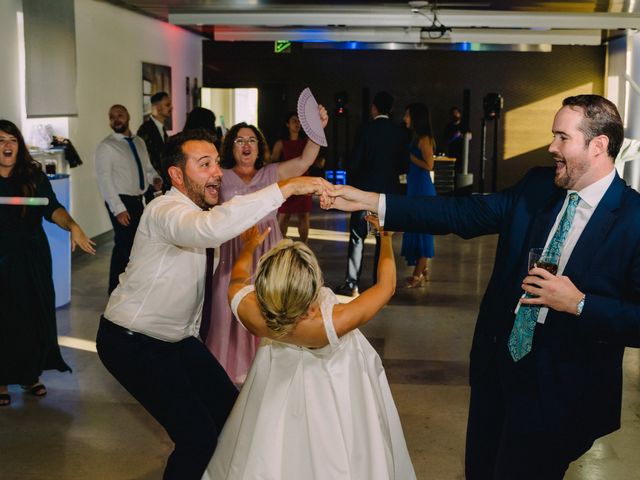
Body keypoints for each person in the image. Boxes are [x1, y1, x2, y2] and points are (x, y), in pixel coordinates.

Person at [325, 94, 639, 479]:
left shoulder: (632, 219)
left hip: (560, 391)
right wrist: (369, 199)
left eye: (562, 137)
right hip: (498, 372)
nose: (551, 146)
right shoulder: (538, 186)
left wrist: (579, 303)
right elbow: (462, 213)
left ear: (599, 145)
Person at [95, 129, 332, 480]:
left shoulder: (199, 209)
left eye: (216, 163)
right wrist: (289, 188)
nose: (217, 173)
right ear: (176, 175)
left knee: (231, 414)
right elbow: (207, 230)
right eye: (204, 165)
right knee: (198, 439)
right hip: (132, 341)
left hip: (177, 340)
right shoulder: (165, 210)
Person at [203, 218, 416, 480]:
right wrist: (385, 237)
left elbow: (236, 282)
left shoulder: (255, 317)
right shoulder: (333, 322)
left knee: (272, 446)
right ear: (312, 292)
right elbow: (387, 286)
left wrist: (249, 246)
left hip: (275, 385)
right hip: (335, 391)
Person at [203, 107, 328, 385]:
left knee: (270, 304)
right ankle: (229, 370)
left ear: (260, 147)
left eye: (251, 140)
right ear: (230, 147)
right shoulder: (220, 177)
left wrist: (317, 127)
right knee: (228, 308)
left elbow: (307, 160)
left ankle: (269, 368)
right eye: (239, 140)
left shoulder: (273, 173)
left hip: (269, 251)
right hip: (234, 252)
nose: (246, 145)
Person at [0, 119, 95, 407]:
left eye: (12, 140)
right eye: (0, 140)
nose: (6, 145)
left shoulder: (33, 175)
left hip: (32, 256)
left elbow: (52, 207)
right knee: (4, 316)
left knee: (34, 314)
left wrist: (73, 225)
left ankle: (29, 375)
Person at [334, 91, 407, 297]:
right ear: (391, 109)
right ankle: (379, 282)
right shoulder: (398, 132)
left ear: (374, 108)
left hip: (364, 191)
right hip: (388, 194)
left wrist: (352, 187)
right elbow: (403, 165)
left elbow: (355, 161)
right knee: (383, 236)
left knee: (358, 235)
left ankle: (351, 284)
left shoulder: (365, 129)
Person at [95, 104, 163, 294]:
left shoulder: (139, 142)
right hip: (121, 201)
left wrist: (155, 178)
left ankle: (115, 289)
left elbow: (147, 169)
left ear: (128, 117)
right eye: (112, 116)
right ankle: (128, 290)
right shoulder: (106, 146)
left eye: (120, 115)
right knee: (128, 246)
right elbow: (105, 180)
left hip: (137, 200)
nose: (116, 119)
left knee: (125, 245)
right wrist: (118, 208)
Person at [271, 111, 323, 243]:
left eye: (299, 121)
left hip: (304, 183)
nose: (297, 123)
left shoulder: (306, 142)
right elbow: (273, 163)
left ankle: (304, 246)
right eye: (294, 120)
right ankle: (280, 246)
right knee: (283, 217)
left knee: (304, 216)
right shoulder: (281, 143)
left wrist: (319, 161)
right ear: (287, 124)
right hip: (286, 184)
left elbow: (315, 161)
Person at [401, 103, 436, 288]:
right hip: (415, 187)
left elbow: (430, 165)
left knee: (422, 231)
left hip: (422, 189)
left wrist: (409, 156)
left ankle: (417, 275)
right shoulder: (415, 137)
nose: (405, 118)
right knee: (416, 228)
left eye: (407, 115)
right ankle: (422, 269)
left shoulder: (424, 139)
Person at [137, 91, 172, 175]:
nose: (171, 107)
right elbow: (144, 158)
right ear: (158, 107)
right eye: (167, 105)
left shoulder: (162, 128)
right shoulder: (145, 130)